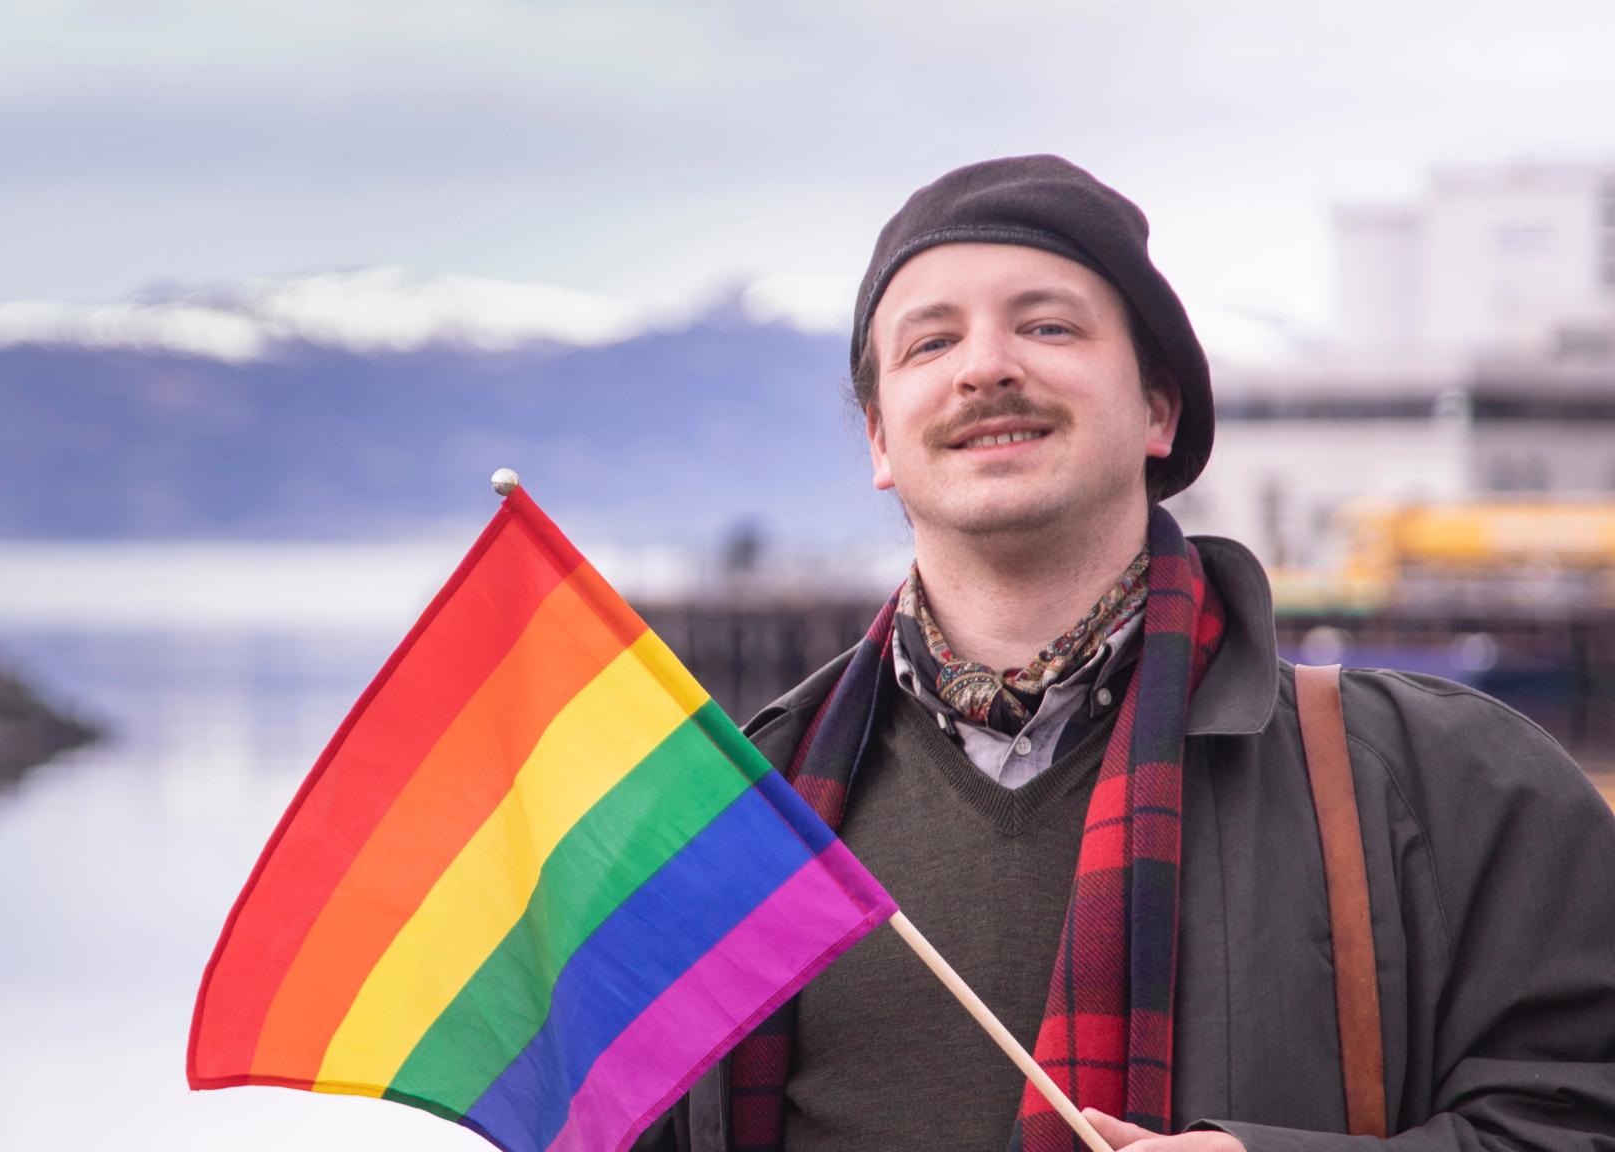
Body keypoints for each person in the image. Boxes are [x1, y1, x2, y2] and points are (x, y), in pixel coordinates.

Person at [634, 156, 1615, 1151]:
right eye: (930, 341)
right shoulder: (742, 822)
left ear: (1158, 407)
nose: (984, 366)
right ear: (879, 441)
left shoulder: (1444, 785)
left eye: (1046, 325)